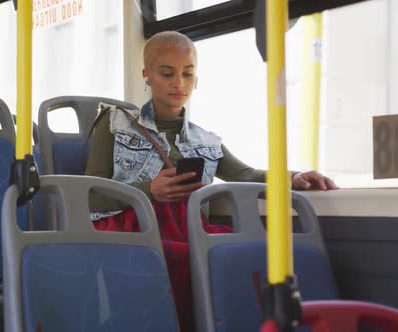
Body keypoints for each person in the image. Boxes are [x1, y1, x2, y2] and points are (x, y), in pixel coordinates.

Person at [85, 31, 338, 331]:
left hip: (188, 225)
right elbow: (91, 195)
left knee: (249, 252)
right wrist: (148, 191)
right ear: (147, 75)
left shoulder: (205, 140)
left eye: (187, 74)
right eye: (167, 73)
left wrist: (294, 177)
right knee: (186, 257)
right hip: (132, 225)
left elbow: (246, 175)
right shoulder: (115, 123)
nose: (179, 83)